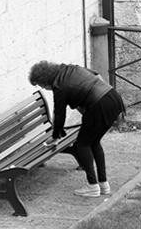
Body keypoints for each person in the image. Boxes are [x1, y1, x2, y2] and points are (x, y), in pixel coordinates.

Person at [29, 61, 125, 198]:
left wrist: (55, 136)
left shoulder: (59, 87)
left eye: (41, 85)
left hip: (99, 105)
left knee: (82, 144)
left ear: (45, 80)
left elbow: (60, 114)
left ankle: (92, 186)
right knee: (94, 142)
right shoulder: (71, 68)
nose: (44, 88)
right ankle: (103, 184)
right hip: (113, 97)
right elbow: (96, 75)